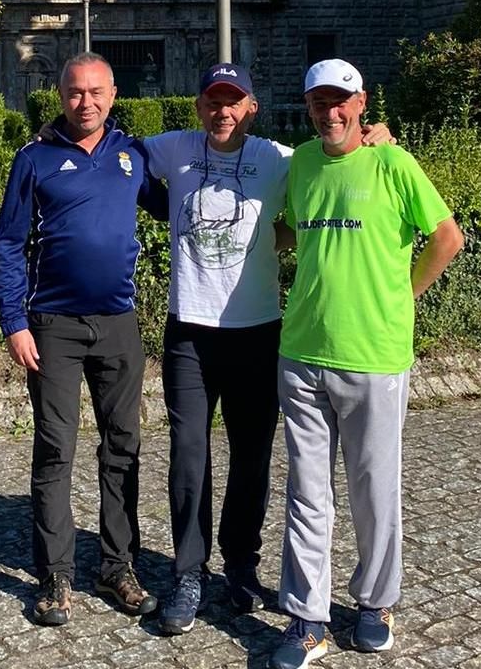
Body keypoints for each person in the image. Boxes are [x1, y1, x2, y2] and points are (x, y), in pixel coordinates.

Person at [141, 63, 394, 636]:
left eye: (233, 101)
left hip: (258, 330)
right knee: (188, 454)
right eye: (212, 100)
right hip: (190, 331)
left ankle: (240, 566)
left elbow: (333, 167)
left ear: (251, 106)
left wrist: (381, 136)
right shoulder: (172, 148)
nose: (222, 111)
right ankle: (187, 572)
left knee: (252, 456)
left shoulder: (280, 158)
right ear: (199, 105)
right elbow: (117, 154)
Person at [269, 59, 464, 669]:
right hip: (301, 352)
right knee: (306, 493)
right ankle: (308, 619)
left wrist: (403, 296)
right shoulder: (300, 162)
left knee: (374, 489)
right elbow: (298, 233)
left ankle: (375, 604)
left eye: (341, 103)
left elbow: (447, 238)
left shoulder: (393, 162)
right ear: (307, 106)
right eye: (319, 103)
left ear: (361, 104)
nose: (330, 113)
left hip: (374, 356)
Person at [0, 52, 165, 627]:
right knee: (54, 451)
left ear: (113, 94)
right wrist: (14, 322)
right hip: (53, 328)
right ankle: (55, 576)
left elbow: (188, 196)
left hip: (118, 324)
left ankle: (117, 567)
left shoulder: (132, 156)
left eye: (95, 92)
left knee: (123, 449)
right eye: (74, 92)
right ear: (59, 95)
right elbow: (10, 244)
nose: (85, 102)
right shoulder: (34, 159)